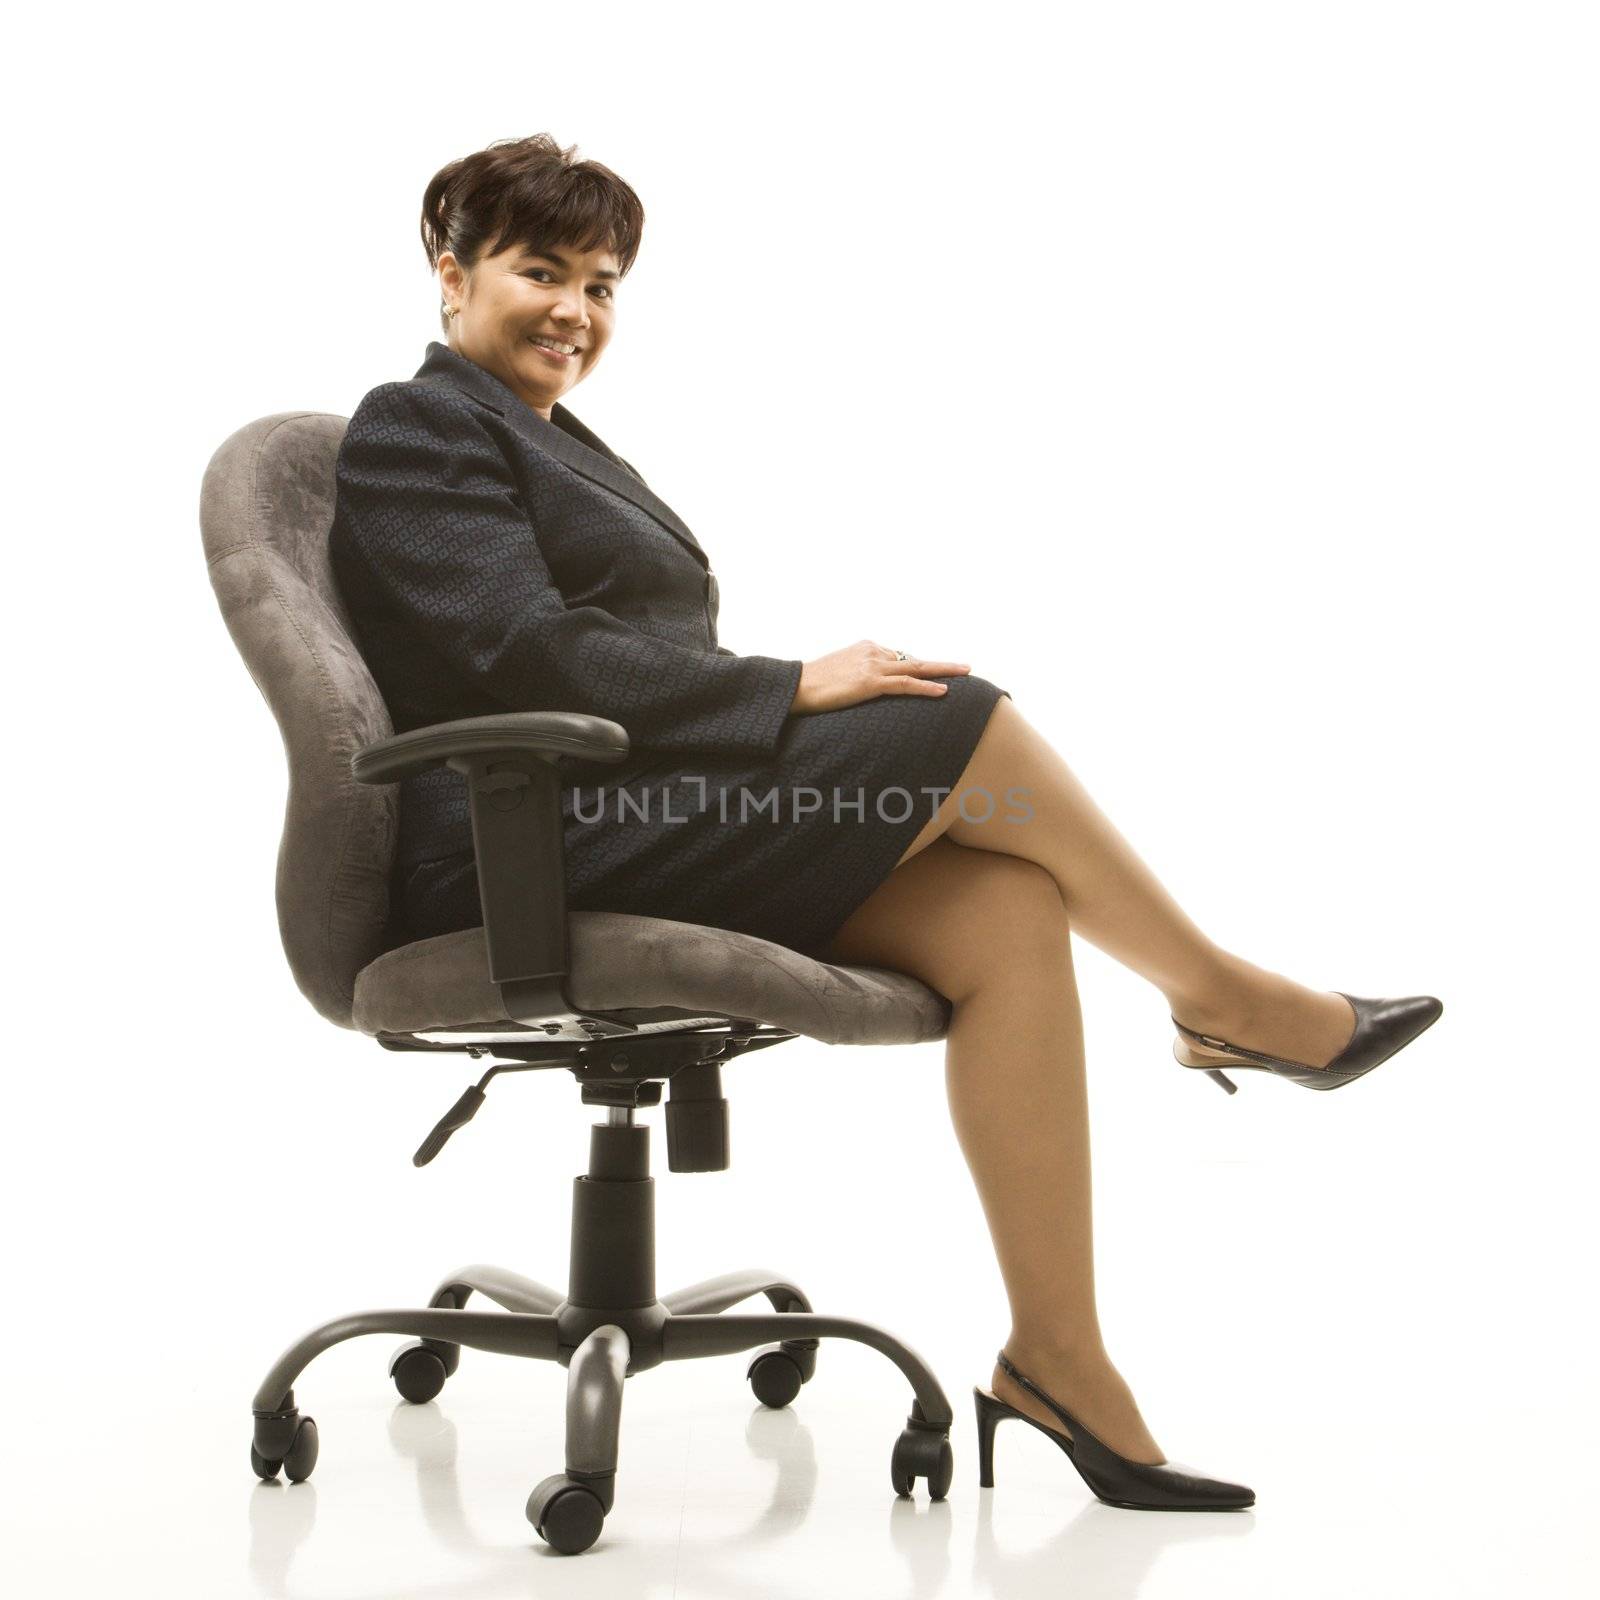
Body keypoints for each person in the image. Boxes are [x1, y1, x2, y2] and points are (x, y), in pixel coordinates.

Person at [329, 134, 1442, 1512]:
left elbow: (598, 656)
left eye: (605, 283)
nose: (577, 309)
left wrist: (773, 710)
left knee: (1006, 910)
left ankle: (1057, 1360)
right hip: (514, 850)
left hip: (627, 818)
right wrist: (793, 688)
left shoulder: (550, 439)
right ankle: (1224, 999)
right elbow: (520, 656)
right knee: (949, 715)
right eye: (538, 271)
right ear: (452, 274)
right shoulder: (416, 422)